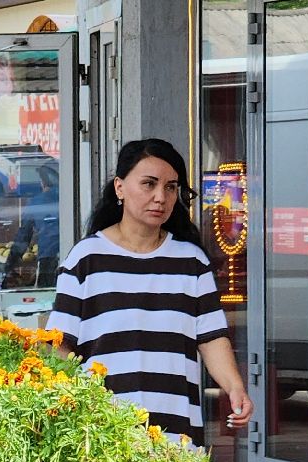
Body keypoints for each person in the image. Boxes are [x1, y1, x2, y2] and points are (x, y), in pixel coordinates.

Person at [46, 138, 252, 446]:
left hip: (176, 430)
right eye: (149, 184)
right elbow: (59, 346)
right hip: (103, 432)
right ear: (119, 187)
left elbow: (210, 337)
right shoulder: (86, 259)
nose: (160, 197)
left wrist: (235, 387)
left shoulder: (191, 261)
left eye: (170, 187)